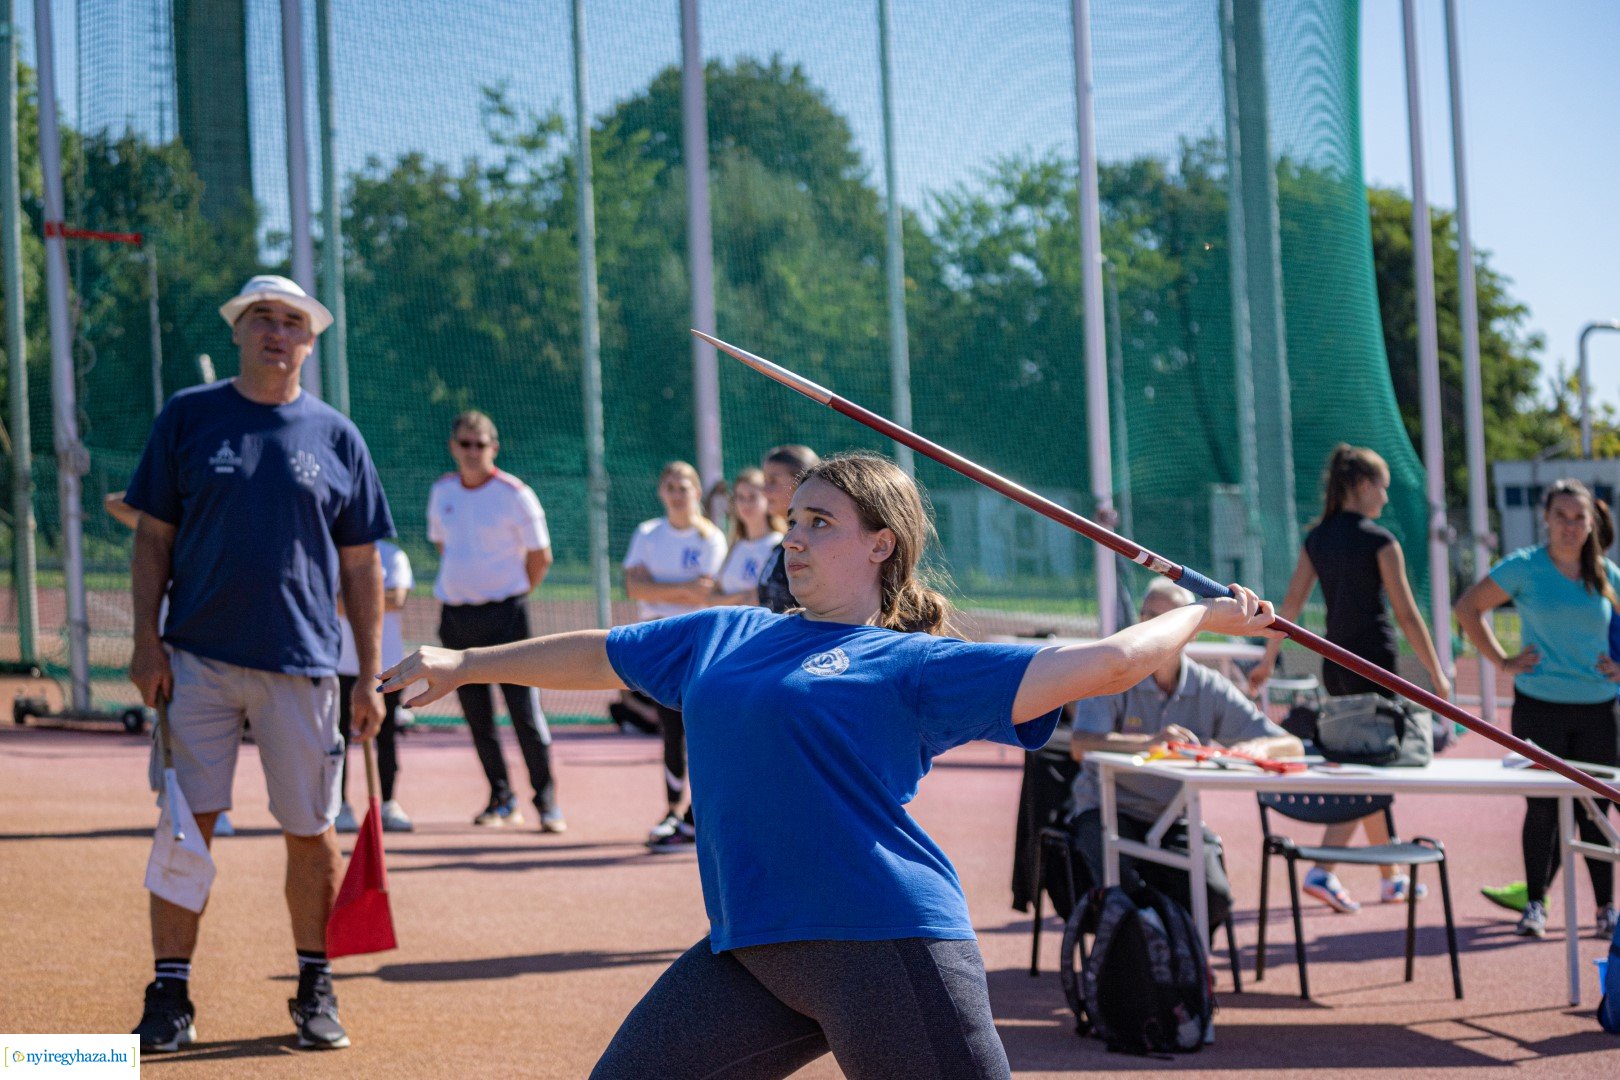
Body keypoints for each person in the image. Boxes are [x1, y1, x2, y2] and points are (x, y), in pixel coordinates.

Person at [379, 452, 1278, 1079]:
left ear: (880, 544)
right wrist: (467, 664)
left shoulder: (915, 663)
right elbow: (600, 655)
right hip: (754, 947)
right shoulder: (725, 634)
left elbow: (1110, 663)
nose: (792, 538)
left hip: (883, 946)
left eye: (819, 522)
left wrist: (1197, 614)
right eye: (790, 521)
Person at [125, 275, 394, 1052]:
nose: (278, 333)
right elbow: (152, 538)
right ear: (239, 332)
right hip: (197, 661)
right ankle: (169, 996)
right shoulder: (189, 415)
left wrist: (368, 674)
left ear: (311, 343)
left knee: (310, 831)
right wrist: (146, 641)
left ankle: (315, 986)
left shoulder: (338, 435)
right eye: (263, 320)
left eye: (293, 323)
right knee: (186, 827)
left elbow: (362, 565)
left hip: (304, 664)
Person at [1247, 445, 1452, 913]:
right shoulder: (1380, 541)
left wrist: (1267, 659)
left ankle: (1391, 877)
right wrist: (1437, 672)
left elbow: (1290, 607)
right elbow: (1404, 612)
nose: (1385, 494)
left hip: (1335, 665)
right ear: (1362, 485)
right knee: (1375, 764)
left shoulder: (1317, 539)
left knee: (1365, 760)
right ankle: (1325, 868)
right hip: (1373, 665)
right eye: (1382, 484)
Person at [1068, 578, 1303, 932]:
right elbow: (1081, 745)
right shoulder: (1114, 675)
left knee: (1213, 897)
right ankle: (1137, 976)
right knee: (1127, 898)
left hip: (1173, 816)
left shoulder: (1207, 687)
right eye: (1148, 616)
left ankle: (1187, 978)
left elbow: (1290, 745)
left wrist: (1254, 748)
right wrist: (1150, 743)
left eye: (1168, 618)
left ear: (1189, 631)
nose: (1155, 627)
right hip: (1108, 811)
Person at [1455, 478, 1620, 939]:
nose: (1570, 526)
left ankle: (1606, 909)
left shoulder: (1606, 573)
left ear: (1592, 523)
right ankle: (1534, 905)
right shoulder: (1524, 568)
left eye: (1579, 517)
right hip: (1539, 707)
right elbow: (1468, 607)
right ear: (1545, 520)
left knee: (1596, 812)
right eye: (1561, 516)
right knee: (1543, 809)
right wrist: (1502, 659)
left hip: (1598, 709)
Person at [428, 410, 565, 832]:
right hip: (455, 619)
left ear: (494, 448)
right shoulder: (442, 491)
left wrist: (511, 593)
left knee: (524, 713)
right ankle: (500, 798)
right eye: (464, 444)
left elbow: (540, 557)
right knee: (477, 716)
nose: (472, 452)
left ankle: (546, 802)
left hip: (507, 618)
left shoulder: (514, 493)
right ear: (453, 447)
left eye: (480, 444)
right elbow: (442, 545)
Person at [105, 491, 238, 839]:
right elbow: (112, 503)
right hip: (171, 639)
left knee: (225, 730)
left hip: (210, 640)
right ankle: (178, 802)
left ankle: (216, 809)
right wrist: (163, 492)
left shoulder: (215, 530)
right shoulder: (169, 526)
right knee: (172, 725)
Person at [621, 461, 727, 849]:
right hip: (657, 639)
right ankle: (671, 809)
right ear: (662, 493)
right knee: (669, 731)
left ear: (697, 491)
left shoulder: (711, 537)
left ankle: (699, 814)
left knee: (700, 731)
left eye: (684, 486)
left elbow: (706, 593)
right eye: (670, 486)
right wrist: (680, 589)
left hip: (696, 641)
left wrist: (658, 587)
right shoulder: (648, 533)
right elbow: (633, 587)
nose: (677, 493)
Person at [335, 538, 415, 833]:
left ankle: (388, 804)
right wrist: (372, 597)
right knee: (338, 736)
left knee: (386, 735)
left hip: (387, 663)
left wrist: (352, 599)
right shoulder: (332, 554)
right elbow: (326, 602)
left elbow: (399, 599)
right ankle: (339, 805)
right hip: (339, 663)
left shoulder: (393, 555)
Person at [757, 444, 820, 613]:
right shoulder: (782, 543)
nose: (764, 490)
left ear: (801, 483)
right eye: (764, 481)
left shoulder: (816, 544)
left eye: (773, 481)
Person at [710, 467, 786, 606]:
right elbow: (711, 598)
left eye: (752, 497)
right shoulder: (736, 545)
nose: (745, 504)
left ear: (767, 499)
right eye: (740, 497)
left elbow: (762, 598)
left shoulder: (778, 545)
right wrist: (743, 596)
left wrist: (728, 600)